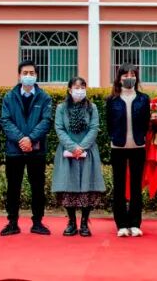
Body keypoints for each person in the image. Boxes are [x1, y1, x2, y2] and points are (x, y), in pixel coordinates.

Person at [0, 60, 53, 236]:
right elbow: (5, 121)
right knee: (13, 187)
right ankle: (12, 222)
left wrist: (31, 139)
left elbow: (46, 121)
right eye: (25, 73)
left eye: (32, 73)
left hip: (36, 151)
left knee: (37, 187)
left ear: (36, 75)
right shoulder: (9, 97)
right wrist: (21, 139)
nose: (28, 76)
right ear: (19, 75)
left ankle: (37, 222)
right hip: (14, 150)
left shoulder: (44, 97)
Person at [52, 77, 105, 237]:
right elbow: (59, 128)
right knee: (68, 187)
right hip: (67, 153)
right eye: (76, 87)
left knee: (87, 187)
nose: (80, 90)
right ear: (69, 90)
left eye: (82, 87)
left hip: (87, 152)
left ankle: (84, 222)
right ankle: (71, 222)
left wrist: (82, 147)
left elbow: (94, 128)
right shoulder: (61, 108)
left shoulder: (92, 107)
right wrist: (73, 147)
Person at [106, 63, 151, 237]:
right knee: (119, 186)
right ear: (119, 78)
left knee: (135, 186)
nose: (129, 78)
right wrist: (114, 137)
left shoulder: (143, 99)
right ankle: (121, 224)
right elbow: (109, 123)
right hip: (118, 146)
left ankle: (135, 223)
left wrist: (141, 137)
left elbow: (146, 121)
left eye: (132, 75)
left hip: (138, 146)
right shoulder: (112, 100)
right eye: (125, 75)